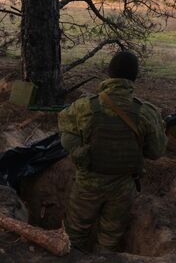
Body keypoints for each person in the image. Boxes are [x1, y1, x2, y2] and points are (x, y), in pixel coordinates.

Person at [58, 51, 167, 253]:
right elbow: (156, 152)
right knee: (109, 240)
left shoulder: (84, 107)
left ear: (109, 74)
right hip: (123, 188)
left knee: (74, 235)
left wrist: (79, 152)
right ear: (134, 77)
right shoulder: (146, 112)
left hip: (87, 185)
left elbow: (66, 135)